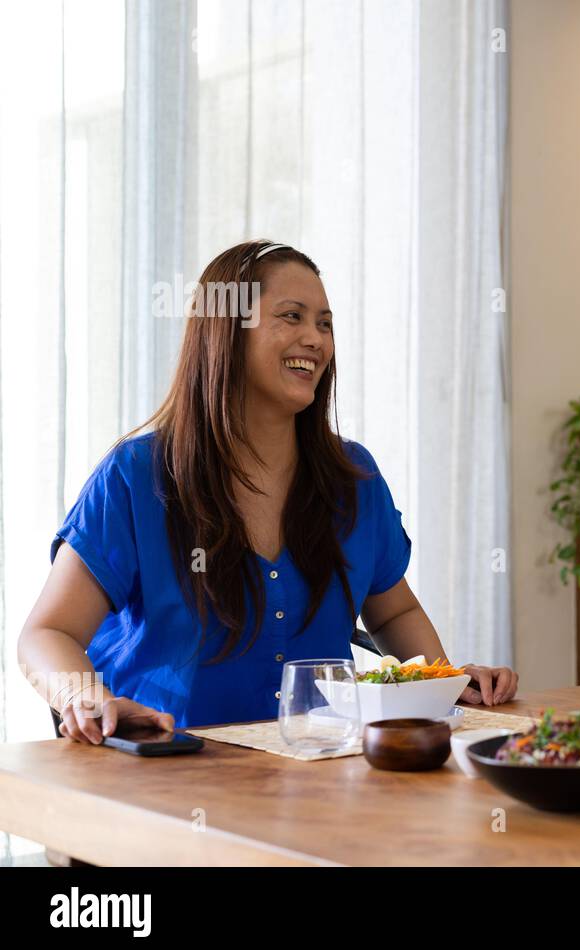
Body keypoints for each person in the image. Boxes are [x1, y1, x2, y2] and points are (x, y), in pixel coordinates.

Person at [18, 240, 518, 744]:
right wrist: (82, 697)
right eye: (292, 316)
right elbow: (47, 633)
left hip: (321, 769)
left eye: (324, 323)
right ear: (226, 334)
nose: (315, 340)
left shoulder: (353, 477)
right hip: (167, 775)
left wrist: (442, 682)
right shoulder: (137, 476)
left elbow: (394, 611)